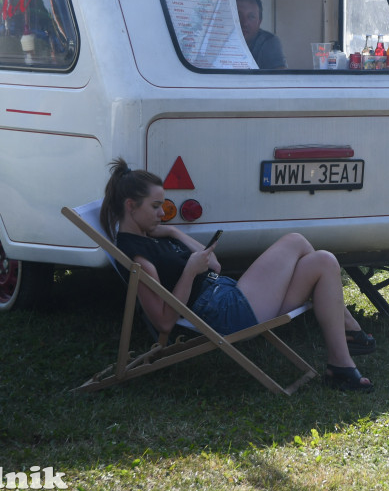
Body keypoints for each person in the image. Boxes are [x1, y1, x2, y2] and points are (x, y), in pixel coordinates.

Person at [100, 159, 375, 391]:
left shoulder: (154, 235)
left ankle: (339, 364)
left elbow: (215, 265)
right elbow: (163, 322)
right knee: (296, 241)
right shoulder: (139, 258)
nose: (162, 213)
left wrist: (173, 232)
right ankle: (349, 330)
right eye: (155, 206)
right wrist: (190, 271)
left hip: (229, 295)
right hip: (226, 313)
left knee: (324, 261)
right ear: (131, 206)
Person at [235, 0, 286, 69]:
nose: (244, 23)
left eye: (251, 17)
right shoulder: (215, 39)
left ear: (259, 21)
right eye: (238, 16)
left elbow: (279, 74)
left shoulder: (268, 41)